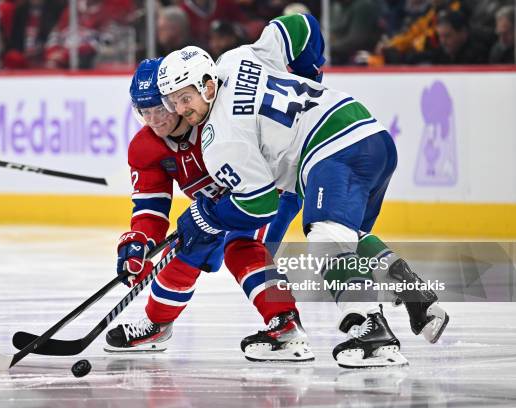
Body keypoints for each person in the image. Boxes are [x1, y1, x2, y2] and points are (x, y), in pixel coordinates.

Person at [158, 13, 449, 368]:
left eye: (185, 98)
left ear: (206, 85)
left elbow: (260, 206)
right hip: (368, 131)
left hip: (332, 149)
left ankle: (373, 331)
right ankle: (412, 290)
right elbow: (300, 25)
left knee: (325, 239)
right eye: (173, 102)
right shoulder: (235, 59)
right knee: (348, 237)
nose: (181, 110)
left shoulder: (219, 141)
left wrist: (204, 216)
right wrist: (311, 75)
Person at [104, 56, 313, 362]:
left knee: (242, 246)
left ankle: (286, 325)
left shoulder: (215, 120)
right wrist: (140, 243)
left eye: (161, 109)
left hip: (269, 190)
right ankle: (158, 325)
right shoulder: (145, 147)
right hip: (217, 204)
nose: (155, 120)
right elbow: (151, 207)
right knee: (183, 250)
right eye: (145, 112)